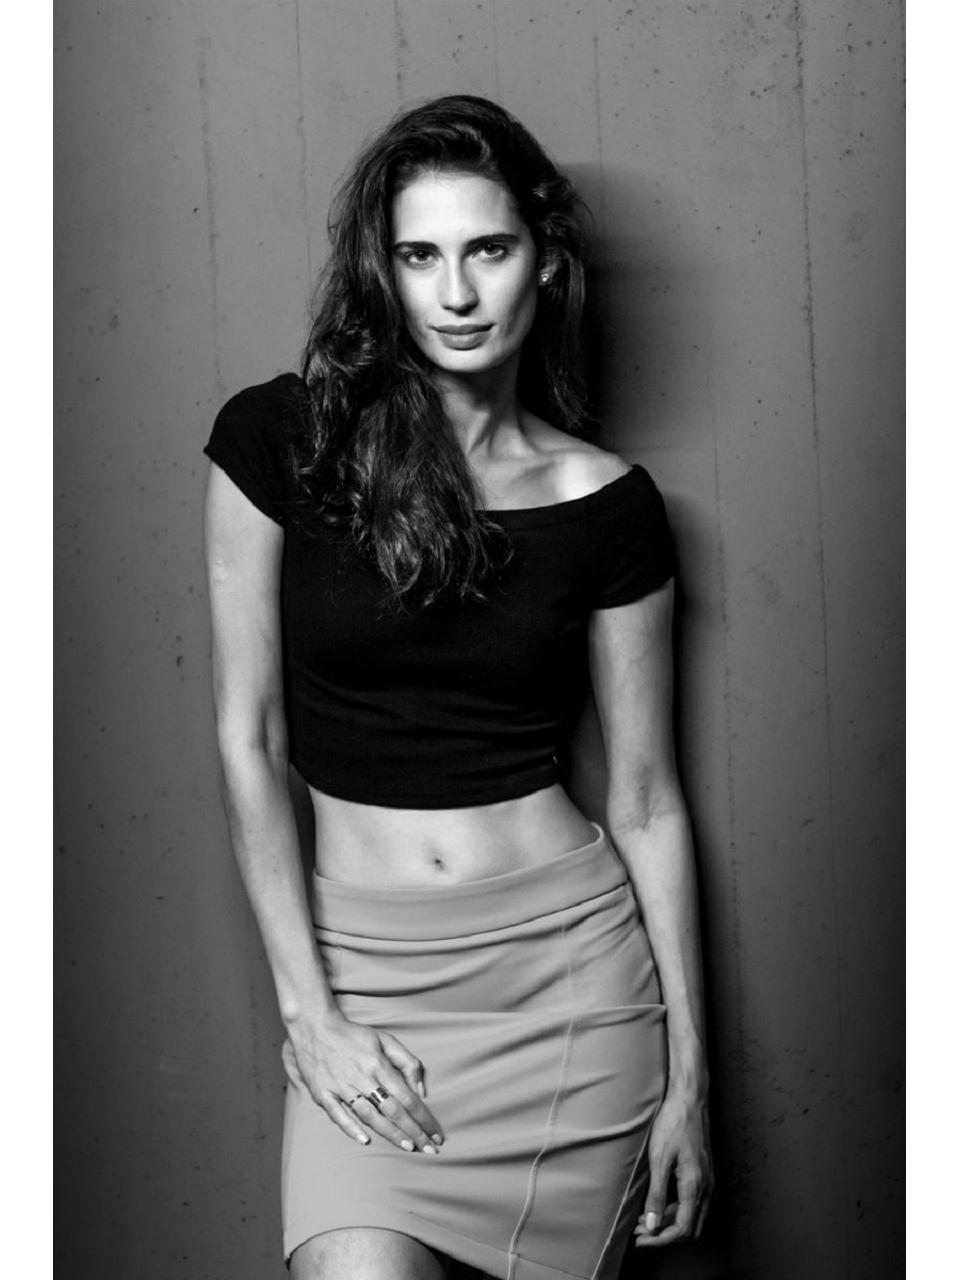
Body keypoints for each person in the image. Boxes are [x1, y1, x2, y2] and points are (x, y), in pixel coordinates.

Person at [203, 94, 712, 1281]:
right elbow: (248, 737)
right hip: (369, 980)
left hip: (569, 994)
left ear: (546, 260)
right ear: (383, 274)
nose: (459, 293)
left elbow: (647, 800)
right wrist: (310, 1013)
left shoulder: (608, 504)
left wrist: (694, 1078)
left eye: (488, 249)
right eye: (420, 257)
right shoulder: (281, 443)